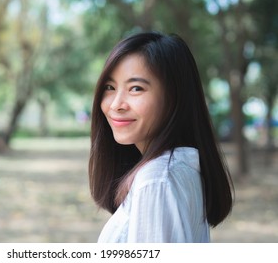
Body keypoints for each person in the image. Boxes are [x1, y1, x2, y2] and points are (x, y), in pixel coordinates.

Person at [88, 31, 234, 242]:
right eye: (110, 87)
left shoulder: (157, 180)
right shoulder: (179, 167)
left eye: (136, 88)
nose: (115, 104)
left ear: (174, 98)